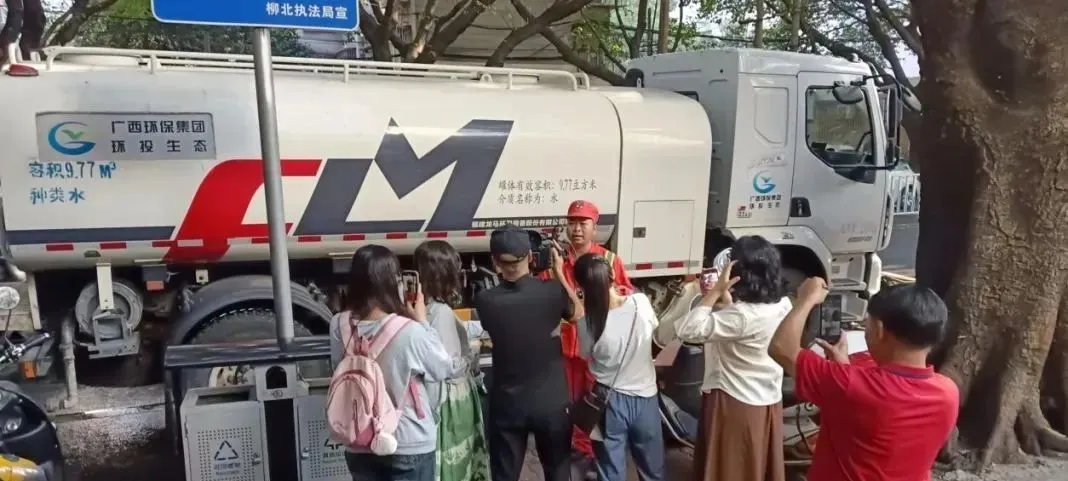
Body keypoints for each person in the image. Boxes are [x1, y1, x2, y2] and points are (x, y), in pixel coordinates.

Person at [768, 279, 959, 481]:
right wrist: (844, 369)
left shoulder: (851, 385)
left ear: (879, 329)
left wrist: (806, 299)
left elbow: (781, 348)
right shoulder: (948, 392)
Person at [659, 236, 790, 481]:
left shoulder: (742, 316)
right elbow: (738, 326)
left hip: (734, 401)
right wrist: (727, 301)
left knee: (730, 467)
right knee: (755, 466)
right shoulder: (783, 304)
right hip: (766, 400)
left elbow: (688, 329)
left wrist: (714, 293)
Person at [330, 244, 456, 481]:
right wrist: (422, 321)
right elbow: (443, 367)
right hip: (407, 439)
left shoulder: (338, 324)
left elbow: (337, 365)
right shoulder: (410, 331)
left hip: (359, 437)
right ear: (392, 281)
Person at [475, 224, 580, 481]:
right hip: (551, 403)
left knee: (505, 475)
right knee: (557, 472)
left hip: (507, 405)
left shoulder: (486, 300)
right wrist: (559, 274)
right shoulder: (553, 292)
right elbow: (578, 314)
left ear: (495, 262)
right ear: (531, 258)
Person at [539, 200, 635, 470]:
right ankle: (575, 453)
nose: (576, 228)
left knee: (594, 404)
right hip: (565, 349)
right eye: (572, 222)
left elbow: (626, 300)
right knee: (567, 403)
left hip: (597, 348)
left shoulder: (610, 262)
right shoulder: (556, 263)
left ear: (595, 228)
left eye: (583, 223)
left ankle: (590, 456)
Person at [572, 253, 664, 481]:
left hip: (607, 401)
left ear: (581, 287)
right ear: (612, 276)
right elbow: (656, 332)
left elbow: (585, 355)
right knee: (653, 469)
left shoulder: (588, 324)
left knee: (610, 469)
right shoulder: (640, 303)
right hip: (646, 400)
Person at [413, 240, 491, 481]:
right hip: (450, 402)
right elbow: (447, 364)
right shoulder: (437, 311)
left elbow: (437, 361)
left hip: (440, 403)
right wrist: (472, 352)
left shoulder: (431, 310)